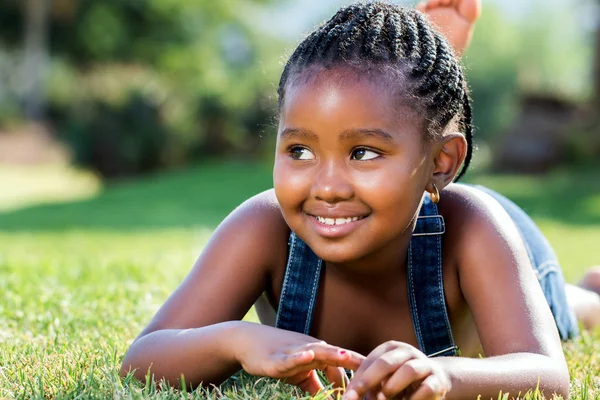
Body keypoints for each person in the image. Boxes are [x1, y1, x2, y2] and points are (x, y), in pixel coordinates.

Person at [121, 1, 600, 399]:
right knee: (391, 111)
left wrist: (446, 375)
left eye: (363, 152)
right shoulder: (265, 226)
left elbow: (547, 376)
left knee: (562, 308)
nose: (326, 187)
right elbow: (140, 361)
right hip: (417, 183)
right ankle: (413, 114)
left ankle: (589, 295)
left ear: (443, 162)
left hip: (492, 236)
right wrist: (235, 338)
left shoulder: (475, 229)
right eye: (299, 150)